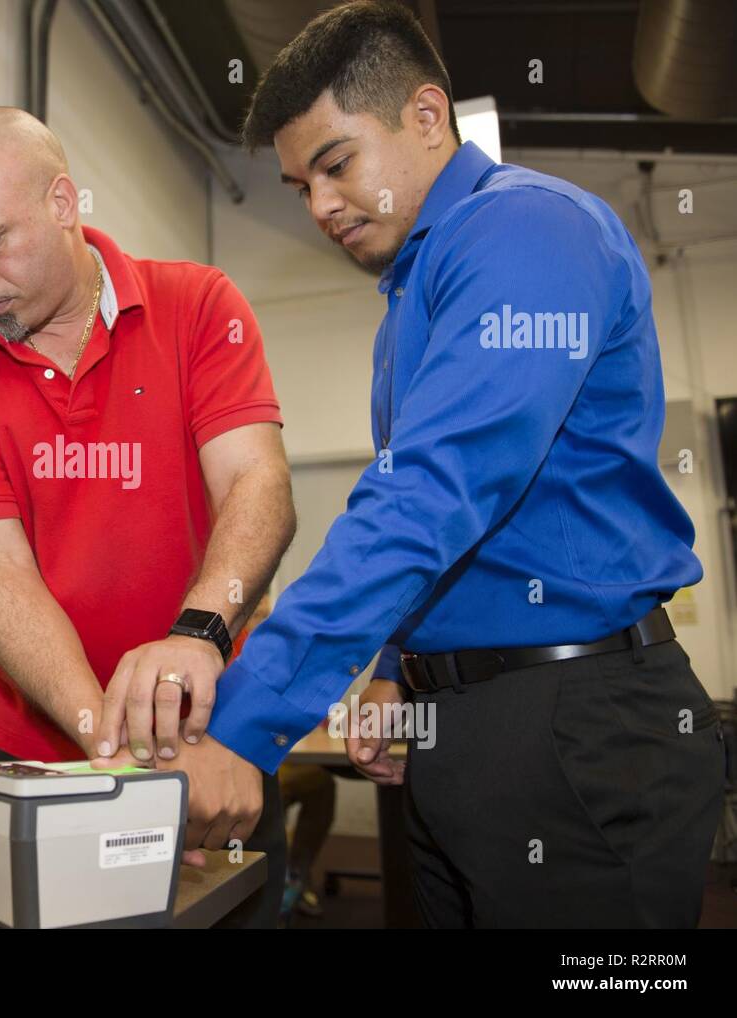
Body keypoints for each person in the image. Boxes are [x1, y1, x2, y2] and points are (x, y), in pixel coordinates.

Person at [101, 0, 726, 928]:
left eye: (337, 165)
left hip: (577, 723)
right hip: (468, 726)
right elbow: (460, 528)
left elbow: (430, 496)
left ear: (427, 117)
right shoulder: (413, 299)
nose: (318, 207)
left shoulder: (524, 234)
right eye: (297, 186)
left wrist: (244, 723)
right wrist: (400, 665)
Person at [0, 106, 296, 927]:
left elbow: (257, 483)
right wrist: (113, 751)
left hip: (208, 731)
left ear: (64, 204)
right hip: (16, 747)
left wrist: (198, 635)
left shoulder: (198, 304)